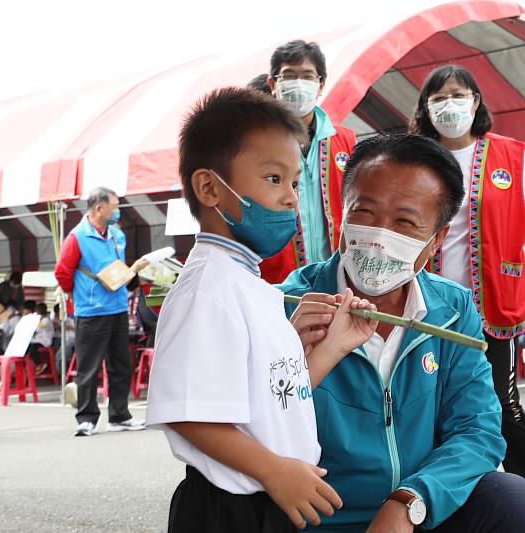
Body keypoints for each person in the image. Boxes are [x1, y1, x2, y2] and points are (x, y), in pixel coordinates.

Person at [280, 133, 525, 532]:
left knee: (512, 500)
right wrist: (290, 360)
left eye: (404, 222)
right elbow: (242, 436)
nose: (379, 234)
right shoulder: (287, 307)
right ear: (341, 214)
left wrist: (411, 501)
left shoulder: (452, 310)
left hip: (417, 516)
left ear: (435, 239)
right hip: (312, 519)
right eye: (365, 212)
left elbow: (477, 429)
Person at [146, 86, 376, 533]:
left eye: (294, 182)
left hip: (265, 501)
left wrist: (330, 349)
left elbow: (269, 401)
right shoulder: (208, 289)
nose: (291, 198)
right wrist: (273, 470)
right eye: (274, 179)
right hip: (230, 510)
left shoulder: (250, 283)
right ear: (210, 187)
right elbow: (189, 413)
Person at [408, 64, 525, 529]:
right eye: (438, 98)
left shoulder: (513, 156)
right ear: (426, 108)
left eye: (458, 95)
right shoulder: (416, 156)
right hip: (425, 304)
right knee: (428, 404)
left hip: (491, 305)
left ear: (476, 101)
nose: (449, 105)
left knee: (501, 404)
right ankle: (438, 499)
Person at [251, 40, 356, 283]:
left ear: (321, 84)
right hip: (278, 277)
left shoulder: (344, 140)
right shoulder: (256, 143)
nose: (298, 84)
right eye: (289, 75)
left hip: (338, 276)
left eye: (307, 76)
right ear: (272, 83)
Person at [54, 186, 149, 437]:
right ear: (99, 207)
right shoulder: (76, 237)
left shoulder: (118, 235)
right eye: (115, 206)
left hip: (117, 306)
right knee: (89, 367)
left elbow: (118, 268)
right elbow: (62, 272)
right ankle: (86, 418)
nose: (118, 211)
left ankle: (119, 415)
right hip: (91, 310)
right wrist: (79, 296)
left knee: (121, 364)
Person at [26, 302, 54, 375]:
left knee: (33, 348)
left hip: (44, 342)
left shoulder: (46, 320)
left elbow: (38, 328)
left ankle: (40, 364)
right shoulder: (41, 320)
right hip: (38, 340)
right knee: (27, 347)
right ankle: (28, 366)